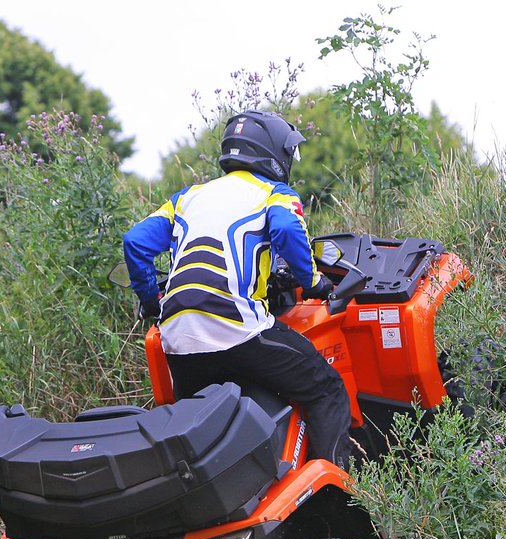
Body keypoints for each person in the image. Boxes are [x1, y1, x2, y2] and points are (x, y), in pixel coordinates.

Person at [123, 109, 352, 469]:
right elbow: (289, 233)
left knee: (199, 432)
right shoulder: (274, 193)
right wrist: (312, 282)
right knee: (326, 389)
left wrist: (152, 300)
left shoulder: (188, 197)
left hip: (178, 340)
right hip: (237, 328)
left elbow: (135, 241)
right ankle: (342, 492)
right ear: (273, 154)